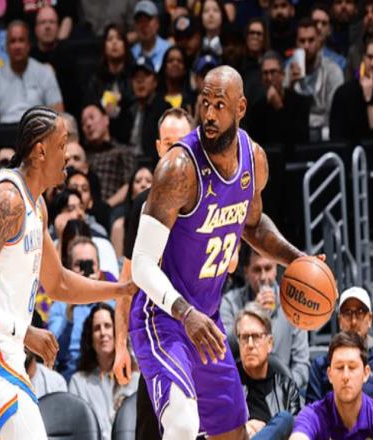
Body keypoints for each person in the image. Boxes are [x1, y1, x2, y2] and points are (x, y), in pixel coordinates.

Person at [128, 65, 312, 440]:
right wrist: (186, 313)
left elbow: (253, 225)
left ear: (240, 108)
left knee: (233, 432)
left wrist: (297, 259)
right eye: (205, 103)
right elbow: (141, 265)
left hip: (207, 320)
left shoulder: (253, 160)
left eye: (220, 105)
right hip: (163, 318)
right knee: (182, 423)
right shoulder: (178, 169)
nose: (210, 115)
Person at [0, 106, 137, 440]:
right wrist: (25, 332)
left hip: (4, 347)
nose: (69, 155)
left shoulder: (36, 205)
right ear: (40, 151)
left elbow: (58, 283)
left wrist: (121, 289)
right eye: (62, 145)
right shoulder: (7, 199)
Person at [113, 107, 194, 440]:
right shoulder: (144, 204)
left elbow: (230, 263)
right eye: (169, 143)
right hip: (157, 328)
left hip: (201, 325)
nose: (176, 151)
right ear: (159, 148)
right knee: (154, 428)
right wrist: (121, 346)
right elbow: (127, 282)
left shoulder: (211, 198)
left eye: (183, 142)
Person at [220, 246, 310, 389]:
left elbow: (302, 365)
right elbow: (223, 347)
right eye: (257, 270)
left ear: (276, 269)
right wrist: (252, 311)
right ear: (246, 272)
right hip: (242, 390)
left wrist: (284, 390)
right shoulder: (230, 302)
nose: (263, 277)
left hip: (282, 389)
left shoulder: (292, 305)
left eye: (268, 268)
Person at [290, 331, 373, 440]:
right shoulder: (313, 415)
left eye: (352, 367)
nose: (345, 376)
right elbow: (299, 434)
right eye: (340, 367)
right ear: (329, 374)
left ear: (366, 373)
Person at [49, 236, 116, 381]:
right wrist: (72, 305)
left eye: (90, 264)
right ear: (69, 270)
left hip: (108, 377)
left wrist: (98, 296)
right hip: (71, 377)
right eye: (79, 264)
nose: (85, 270)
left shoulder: (112, 305)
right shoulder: (59, 307)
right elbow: (54, 353)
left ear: (98, 269)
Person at [69, 303, 139, 440]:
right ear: (90, 338)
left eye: (107, 326)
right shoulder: (78, 382)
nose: (103, 333)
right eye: (96, 328)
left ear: (117, 332)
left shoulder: (135, 379)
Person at [235, 302, 301, 439]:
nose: (250, 345)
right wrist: (243, 430)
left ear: (270, 343)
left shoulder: (287, 389)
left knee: (284, 420)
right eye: (245, 337)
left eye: (256, 337)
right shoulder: (227, 384)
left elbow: (297, 434)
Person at [306, 286, 373, 403]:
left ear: (370, 319)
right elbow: (311, 412)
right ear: (340, 320)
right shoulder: (321, 365)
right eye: (347, 313)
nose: (353, 321)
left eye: (360, 312)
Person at [0, 20, 63, 125]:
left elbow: (58, 115)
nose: (17, 46)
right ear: (6, 47)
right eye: (13, 41)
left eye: (21, 40)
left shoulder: (45, 73)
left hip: (38, 129)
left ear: (28, 45)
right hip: (6, 131)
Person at [284, 18, 343, 142]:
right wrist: (290, 87)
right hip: (296, 135)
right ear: (296, 43)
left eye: (311, 40)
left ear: (319, 42)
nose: (306, 46)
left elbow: (336, 113)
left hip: (326, 135)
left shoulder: (333, 71)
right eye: (302, 41)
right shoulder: (288, 70)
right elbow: (283, 115)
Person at [330, 36, 373, 142]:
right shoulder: (343, 93)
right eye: (369, 57)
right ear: (363, 58)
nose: (372, 63)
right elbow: (336, 138)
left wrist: (369, 100)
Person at [131, 0, 170, 72]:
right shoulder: (131, 54)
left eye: (147, 20)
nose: (144, 25)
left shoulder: (168, 51)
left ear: (157, 23)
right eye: (139, 21)